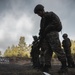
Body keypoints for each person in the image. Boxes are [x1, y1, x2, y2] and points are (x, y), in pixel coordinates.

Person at [34, 4, 68, 73]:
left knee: (57, 49)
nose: (38, 15)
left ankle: (64, 66)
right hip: (46, 37)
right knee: (47, 51)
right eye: (37, 13)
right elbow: (41, 30)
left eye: (38, 13)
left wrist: (48, 28)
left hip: (52, 34)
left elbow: (57, 22)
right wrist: (40, 35)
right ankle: (47, 66)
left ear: (42, 10)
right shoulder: (42, 20)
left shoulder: (50, 14)